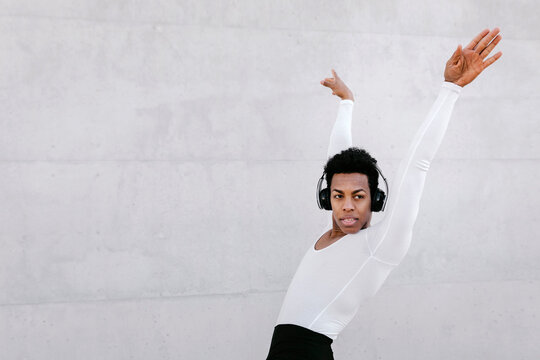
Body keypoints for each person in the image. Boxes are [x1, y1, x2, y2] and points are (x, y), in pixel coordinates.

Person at [265, 28, 503, 360]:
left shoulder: (380, 245)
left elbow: (418, 163)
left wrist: (451, 89)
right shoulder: (336, 233)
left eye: (359, 196)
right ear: (326, 197)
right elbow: (338, 160)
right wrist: (347, 103)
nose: (347, 206)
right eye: (338, 196)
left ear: (376, 199)